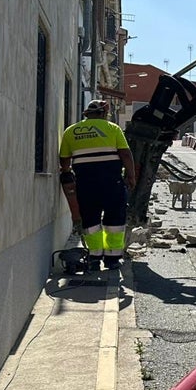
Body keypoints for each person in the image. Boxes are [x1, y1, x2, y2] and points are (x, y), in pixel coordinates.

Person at [59, 99, 137, 270]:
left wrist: (66, 172)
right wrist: (131, 176)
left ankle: (94, 258)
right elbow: (125, 154)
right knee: (115, 221)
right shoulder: (113, 129)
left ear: (87, 114)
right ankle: (112, 260)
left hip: (86, 185)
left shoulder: (71, 131)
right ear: (103, 114)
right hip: (112, 184)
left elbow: (64, 159)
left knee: (90, 220)